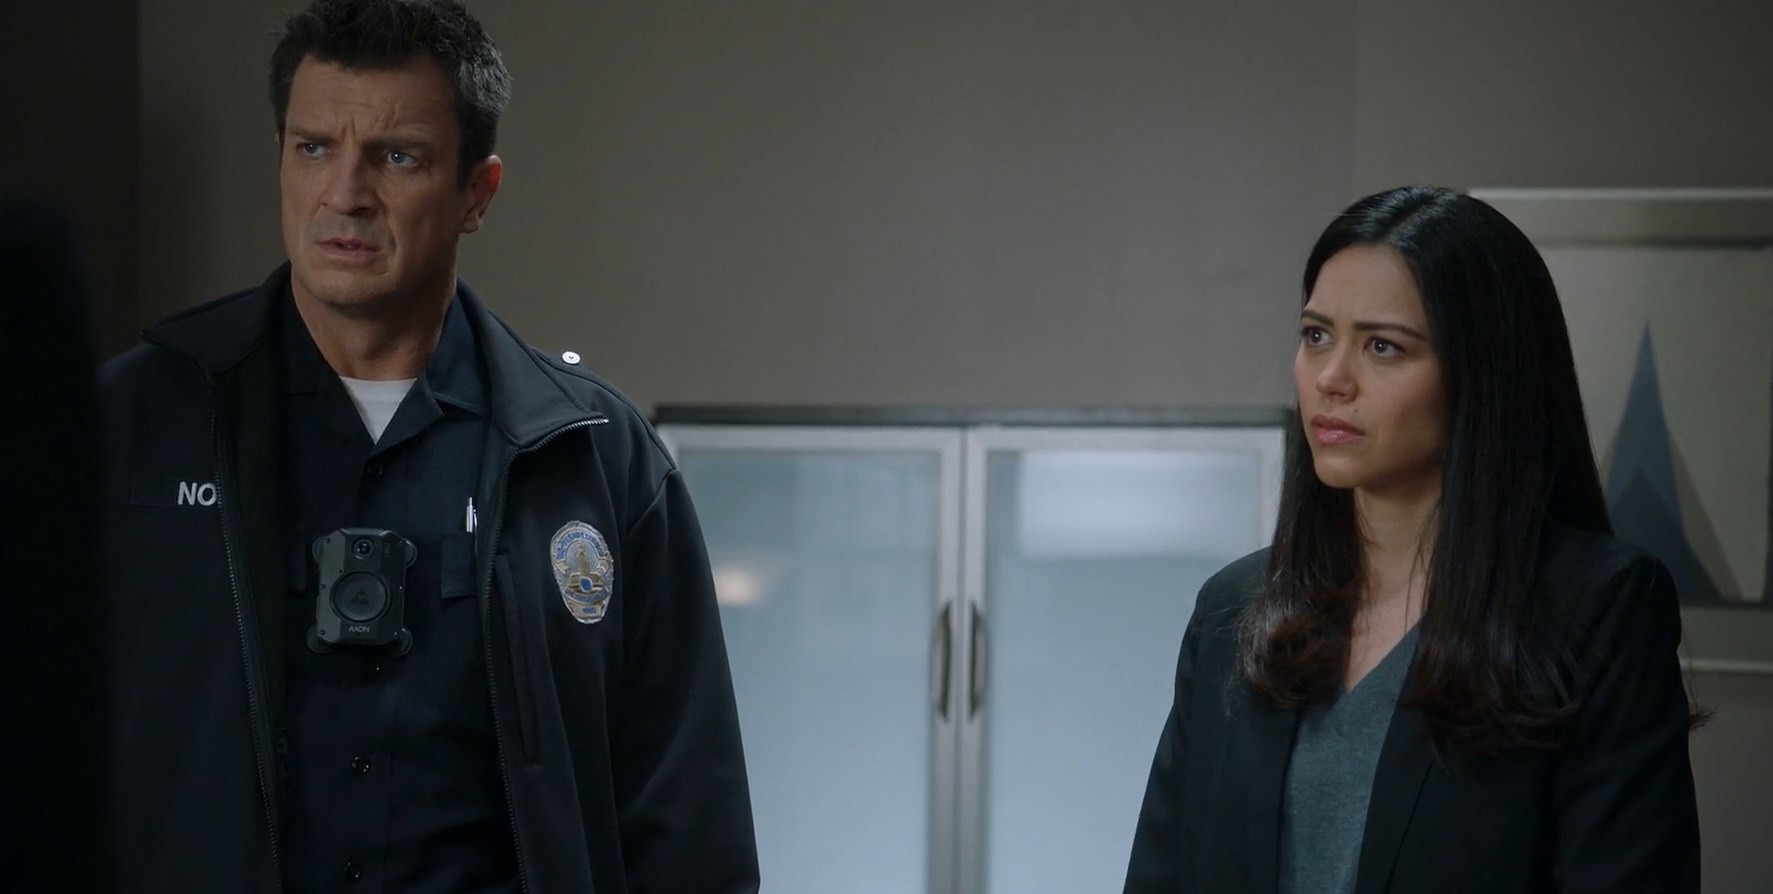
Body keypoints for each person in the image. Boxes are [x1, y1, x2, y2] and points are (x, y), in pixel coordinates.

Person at [98, 2, 757, 891]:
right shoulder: (133, 426)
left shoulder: (594, 458)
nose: (344, 194)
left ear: (476, 193)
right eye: (313, 147)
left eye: (396, 157)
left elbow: (689, 825)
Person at [1123, 185, 1701, 893]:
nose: (1331, 379)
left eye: (1383, 347)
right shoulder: (1233, 608)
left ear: (1482, 373)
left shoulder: (1596, 610)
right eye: (1316, 335)